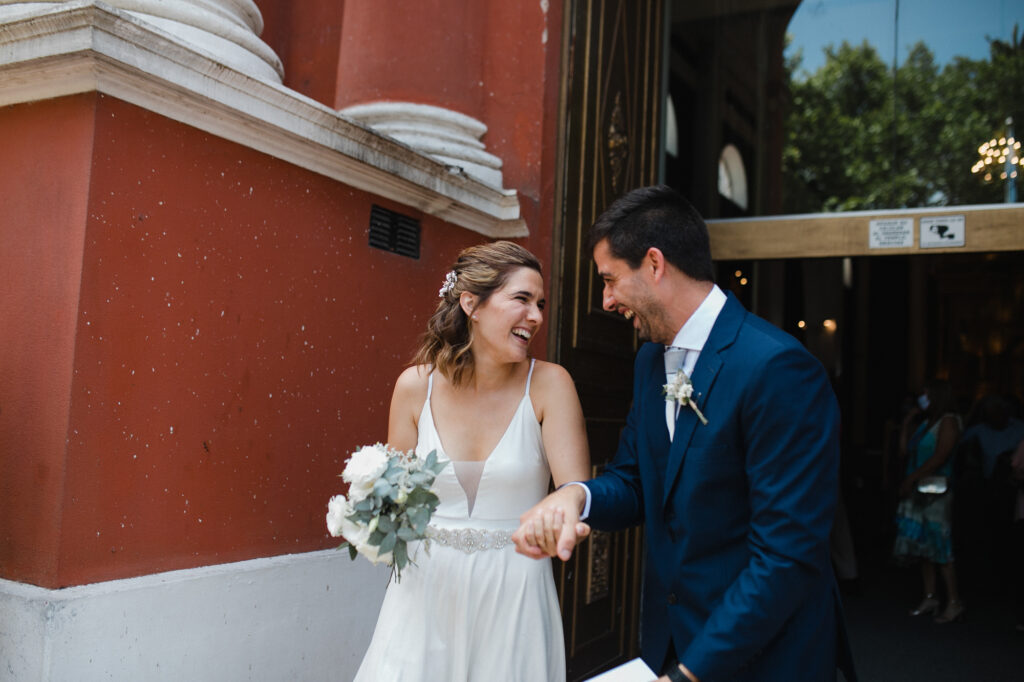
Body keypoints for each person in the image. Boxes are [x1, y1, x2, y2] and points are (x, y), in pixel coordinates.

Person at [512, 186, 856, 682]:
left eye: (610, 280)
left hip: (765, 656)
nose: (606, 301)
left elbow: (785, 557)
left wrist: (689, 673)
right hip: (674, 640)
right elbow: (634, 479)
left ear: (655, 264)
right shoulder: (651, 360)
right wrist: (575, 497)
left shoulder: (777, 369)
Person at [354, 241, 590, 681]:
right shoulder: (414, 387)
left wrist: (562, 520)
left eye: (540, 304)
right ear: (471, 304)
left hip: (515, 590)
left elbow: (574, 492)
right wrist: (366, 518)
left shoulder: (550, 385)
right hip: (423, 594)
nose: (536, 316)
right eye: (522, 299)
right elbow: (394, 498)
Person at [892, 379, 964, 624]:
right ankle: (930, 596)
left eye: (925, 394)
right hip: (918, 490)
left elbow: (940, 456)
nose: (921, 398)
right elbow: (904, 452)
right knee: (923, 545)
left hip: (936, 493)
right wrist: (907, 422)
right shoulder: (926, 423)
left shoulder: (949, 421)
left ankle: (953, 601)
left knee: (940, 543)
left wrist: (911, 478)